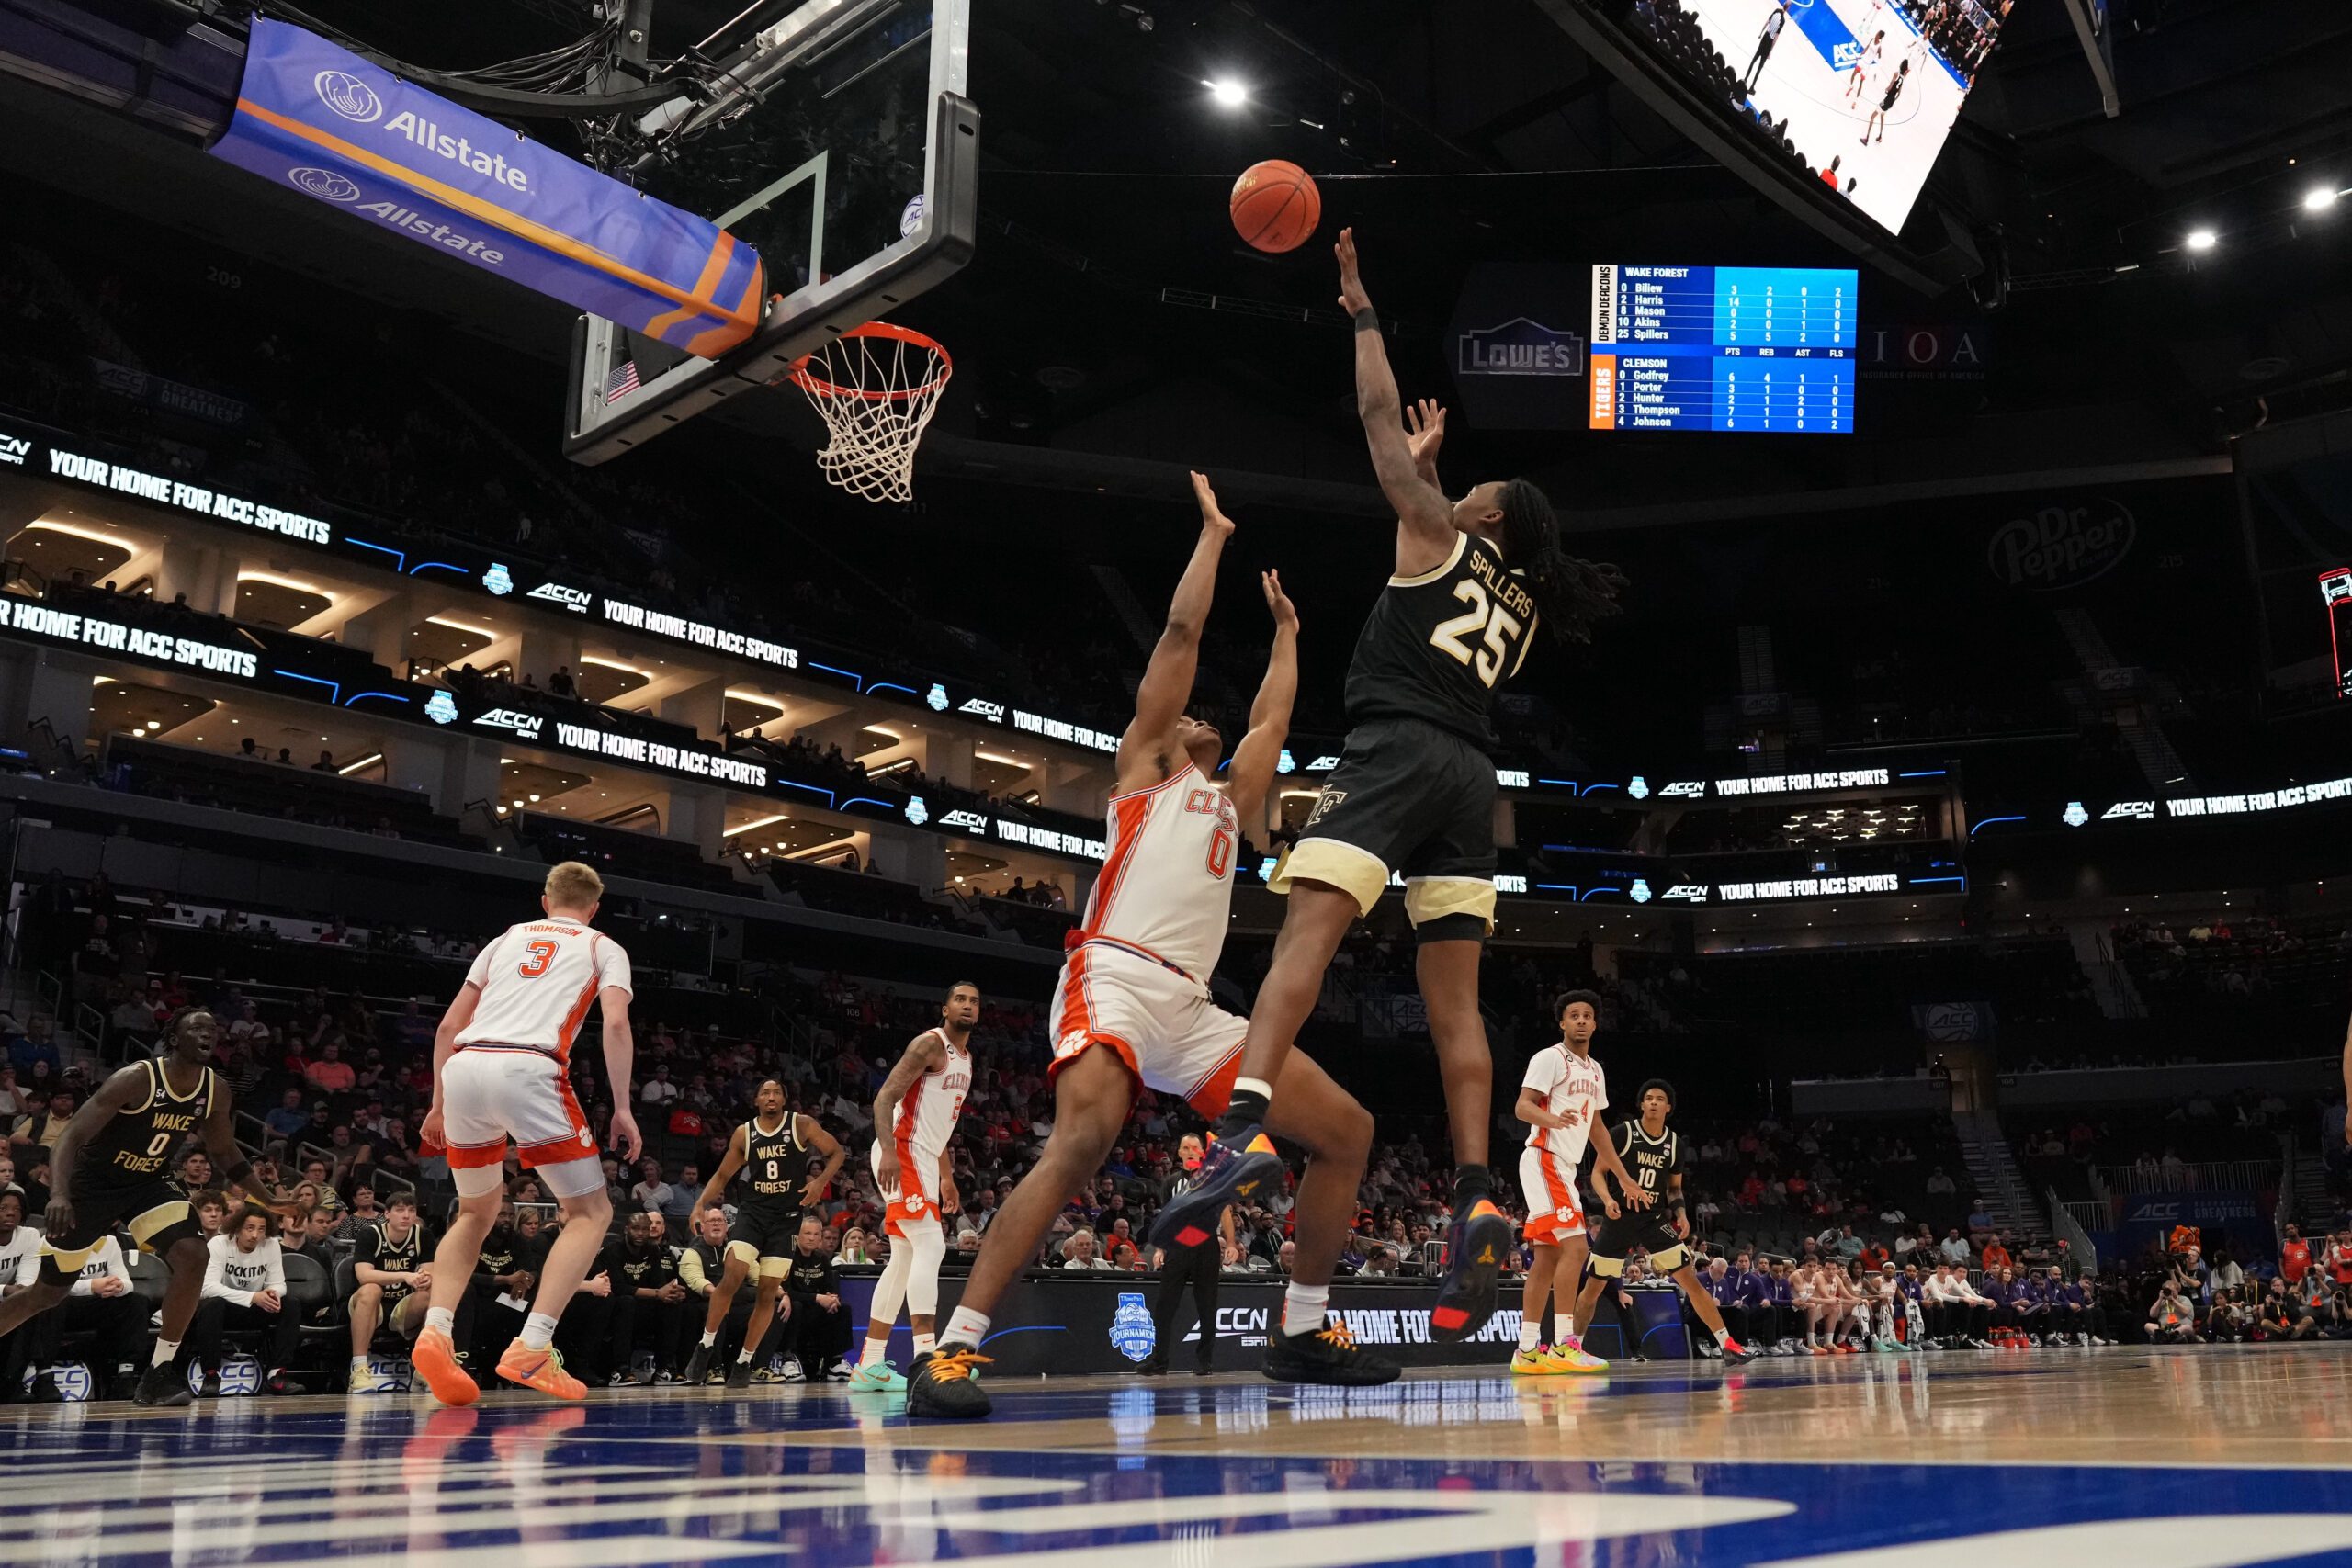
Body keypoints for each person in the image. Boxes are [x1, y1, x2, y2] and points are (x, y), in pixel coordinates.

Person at [1172, 230, 1624, 1347]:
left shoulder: (1436, 535)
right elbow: (1426, 515)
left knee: (1302, 944)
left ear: (1487, 517)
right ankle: (1476, 1184)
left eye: (1473, 488)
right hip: (1473, 778)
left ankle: (1243, 1125)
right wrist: (1433, 479)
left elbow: (1377, 435)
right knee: (1456, 1009)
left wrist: (1362, 313)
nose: (1457, 484)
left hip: (1393, 752)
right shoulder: (1514, 613)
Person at [913, 513, 1395, 1419]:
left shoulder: (1234, 799)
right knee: (1082, 1143)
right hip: (1114, 975)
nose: (1201, 718)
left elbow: (1274, 715)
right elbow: (1180, 634)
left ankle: (1302, 1329)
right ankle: (952, 1352)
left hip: (1193, 1008)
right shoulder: (1143, 771)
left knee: (1348, 1131)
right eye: (1190, 718)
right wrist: (1212, 538)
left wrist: (1290, 634)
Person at [409, 862, 641, 1406]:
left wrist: (438, 1103)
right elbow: (614, 1023)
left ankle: (436, 1331)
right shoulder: (603, 946)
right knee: (591, 1214)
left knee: (474, 1212)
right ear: (595, 907)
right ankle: (533, 1346)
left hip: (465, 1068)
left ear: (545, 900)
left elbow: (447, 1026)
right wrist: (624, 1107)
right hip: (530, 1069)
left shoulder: (504, 940)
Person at [0, 1009, 279, 1405]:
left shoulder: (215, 1088)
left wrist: (266, 1197)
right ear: (173, 1039)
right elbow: (71, 1137)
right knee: (45, 1295)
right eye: (196, 1028)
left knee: (193, 1253)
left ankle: (159, 1372)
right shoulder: (136, 1078)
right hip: (93, 1186)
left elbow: (223, 1150)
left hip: (150, 1182)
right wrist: (59, 1193)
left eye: (212, 1029)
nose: (207, 1034)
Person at [1568, 1079, 1759, 1365]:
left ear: (1668, 1107)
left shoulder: (1674, 1144)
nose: (1654, 1102)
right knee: (1594, 1287)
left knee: (1691, 1282)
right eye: (1649, 1098)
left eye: (1660, 1099)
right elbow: (1597, 1174)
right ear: (1641, 1105)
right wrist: (1607, 1200)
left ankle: (1727, 1344)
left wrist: (1681, 1213)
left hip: (1653, 1218)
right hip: (1619, 1216)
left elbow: (1673, 1189)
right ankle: (1574, 1348)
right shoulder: (1622, 1133)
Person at [849, 982, 979, 1393]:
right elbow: (884, 1098)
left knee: (903, 1259)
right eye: (960, 999)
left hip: (924, 1155)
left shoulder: (966, 1058)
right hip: (902, 1149)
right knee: (932, 1244)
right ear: (945, 1009)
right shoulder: (929, 1045)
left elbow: (939, 1127)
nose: (968, 1006)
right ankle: (928, 1357)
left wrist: (946, 1176)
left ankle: (870, 1364)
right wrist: (888, 1151)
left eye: (974, 1001)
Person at [1510, 991, 1644, 1374]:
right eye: (1574, 1015)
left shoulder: (1596, 1070)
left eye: (1588, 1015)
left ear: (1596, 1024)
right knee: (1576, 1248)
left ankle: (1527, 1351)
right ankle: (1564, 1344)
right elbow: (1522, 1106)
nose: (1582, 1020)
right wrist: (1553, 1121)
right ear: (1562, 1023)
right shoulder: (1550, 1058)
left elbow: (1598, 1128)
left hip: (1562, 1166)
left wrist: (1624, 1177)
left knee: (1549, 1257)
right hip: (1544, 1157)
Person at [682, 1079, 846, 1388]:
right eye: (765, 1093)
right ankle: (705, 1345)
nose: (771, 1097)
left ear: (784, 1099)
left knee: (768, 1291)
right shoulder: (745, 1133)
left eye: (777, 1093)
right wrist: (699, 1205)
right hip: (753, 1214)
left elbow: (836, 1153)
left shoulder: (801, 1124)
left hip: (786, 1219)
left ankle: (745, 1361)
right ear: (755, 1100)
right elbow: (722, 1174)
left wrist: (821, 1181)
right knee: (732, 1275)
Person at [1145, 1134, 1236, 1377]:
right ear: (1180, 1153)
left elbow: (1225, 1212)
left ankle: (1204, 1361)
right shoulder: (1171, 1181)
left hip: (1205, 1243)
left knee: (1206, 1305)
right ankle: (1159, 1360)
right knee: (1164, 1305)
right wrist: (1161, 1249)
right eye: (1186, 1147)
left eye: (1195, 1147)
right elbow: (1164, 1217)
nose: (1191, 1150)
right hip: (1177, 1245)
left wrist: (1231, 1243)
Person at [188, 1206, 298, 1394]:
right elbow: (207, 1288)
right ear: (238, 1228)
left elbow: (279, 1284)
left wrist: (272, 1294)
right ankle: (211, 1375)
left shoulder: (271, 1245)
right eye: (250, 1228)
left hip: (255, 1307)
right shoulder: (219, 1244)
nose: (255, 1235)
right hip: (224, 1309)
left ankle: (276, 1374)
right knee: (212, 1304)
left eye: (261, 1229)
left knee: (291, 1304)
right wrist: (253, 1297)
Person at [347, 1190, 432, 1392]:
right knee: (371, 1290)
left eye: (411, 1211)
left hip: (403, 1310)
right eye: (400, 1210)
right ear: (386, 1214)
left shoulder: (423, 1235)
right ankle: (359, 1368)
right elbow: (364, 1275)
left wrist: (425, 1278)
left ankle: (424, 1368)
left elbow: (431, 1272)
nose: (406, 1215)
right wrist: (405, 1275)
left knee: (430, 1293)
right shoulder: (370, 1234)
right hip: (370, 1308)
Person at [782, 1214, 853, 1380]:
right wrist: (817, 1298)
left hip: (814, 1308)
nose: (812, 1238)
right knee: (796, 1305)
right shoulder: (788, 1256)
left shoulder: (822, 1259)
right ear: (798, 1235)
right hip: (794, 1307)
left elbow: (830, 1289)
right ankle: (788, 1359)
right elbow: (787, 1291)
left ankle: (835, 1362)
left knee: (842, 1309)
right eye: (807, 1233)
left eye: (816, 1234)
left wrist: (832, 1299)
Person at [1862, 58, 1910, 144]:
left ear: (1901, 65)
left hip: (1887, 100)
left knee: (1873, 116)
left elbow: (1890, 86)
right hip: (1891, 102)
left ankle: (1866, 139)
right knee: (1882, 116)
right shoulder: (1903, 78)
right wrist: (1893, 99)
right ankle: (1880, 136)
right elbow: (1899, 93)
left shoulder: (1896, 74)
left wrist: (1887, 90)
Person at [1745, 2, 1789, 92]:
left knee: (1754, 59)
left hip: (1765, 37)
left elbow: (1767, 21)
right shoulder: (1783, 20)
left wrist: (1761, 33)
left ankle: (1745, 78)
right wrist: (1770, 51)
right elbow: (1776, 37)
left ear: (1783, 4)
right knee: (1760, 66)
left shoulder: (1776, 11)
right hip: (1769, 41)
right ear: (1788, 8)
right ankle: (1751, 87)